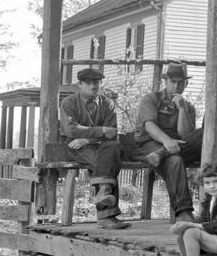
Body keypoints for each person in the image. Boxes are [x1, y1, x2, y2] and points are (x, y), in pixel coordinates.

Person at [59, 67, 129, 229]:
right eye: (89, 83)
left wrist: (87, 139)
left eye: (96, 82)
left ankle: (103, 197)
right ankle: (106, 216)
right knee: (106, 163)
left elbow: (111, 132)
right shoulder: (69, 103)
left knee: (111, 152)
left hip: (97, 145)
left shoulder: (108, 104)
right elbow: (70, 129)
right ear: (80, 84)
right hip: (76, 148)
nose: (93, 87)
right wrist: (99, 132)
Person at [130, 62, 200, 222]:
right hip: (148, 144)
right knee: (175, 160)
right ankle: (183, 212)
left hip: (174, 146)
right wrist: (167, 141)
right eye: (173, 82)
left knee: (203, 134)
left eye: (181, 82)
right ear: (166, 82)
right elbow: (149, 126)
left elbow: (187, 135)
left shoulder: (188, 107)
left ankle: (162, 154)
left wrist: (182, 109)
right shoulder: (151, 99)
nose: (177, 86)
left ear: (186, 83)